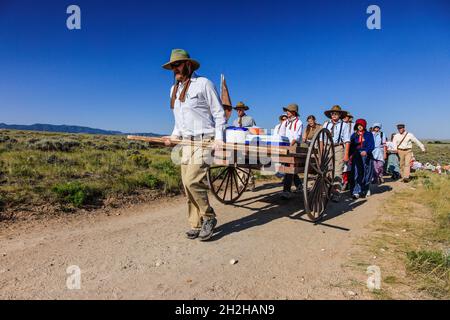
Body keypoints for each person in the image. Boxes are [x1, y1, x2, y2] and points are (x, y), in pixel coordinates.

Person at [162, 49, 225, 241]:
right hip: (185, 142)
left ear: (188, 65)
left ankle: (209, 217)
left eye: (177, 64)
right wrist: (173, 137)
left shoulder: (204, 84)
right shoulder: (174, 90)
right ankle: (195, 224)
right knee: (186, 185)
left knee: (192, 180)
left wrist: (219, 138)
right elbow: (179, 121)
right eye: (172, 66)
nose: (175, 69)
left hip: (205, 139)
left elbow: (219, 113)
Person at [322, 105, 351, 202]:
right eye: (332, 113)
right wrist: (322, 151)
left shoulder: (344, 125)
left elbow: (347, 140)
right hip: (327, 147)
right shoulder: (326, 124)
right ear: (330, 115)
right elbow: (322, 139)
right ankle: (327, 191)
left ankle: (336, 193)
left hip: (338, 147)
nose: (334, 115)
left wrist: (346, 154)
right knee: (327, 170)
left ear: (339, 115)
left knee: (337, 171)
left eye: (336, 113)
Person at [278, 103, 303, 199]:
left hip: (294, 145)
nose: (286, 112)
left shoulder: (299, 122)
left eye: (288, 111)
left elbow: (296, 137)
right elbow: (281, 134)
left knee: (289, 166)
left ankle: (286, 191)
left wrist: (289, 147)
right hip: (286, 145)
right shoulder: (285, 122)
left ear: (293, 112)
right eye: (286, 111)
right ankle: (299, 185)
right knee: (289, 167)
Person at [349, 119, 375, 199]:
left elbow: (371, 145)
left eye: (361, 125)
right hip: (356, 156)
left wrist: (366, 151)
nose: (359, 127)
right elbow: (351, 147)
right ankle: (356, 191)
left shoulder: (368, 134)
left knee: (366, 173)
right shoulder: (353, 135)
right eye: (358, 125)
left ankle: (366, 189)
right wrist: (350, 156)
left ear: (364, 126)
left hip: (366, 156)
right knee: (356, 173)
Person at [342, 113, 354, 190]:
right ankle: (344, 181)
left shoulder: (353, 125)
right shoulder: (341, 124)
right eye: (344, 117)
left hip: (351, 146)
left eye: (347, 117)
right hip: (342, 145)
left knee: (350, 165)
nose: (345, 118)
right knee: (343, 166)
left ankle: (349, 182)